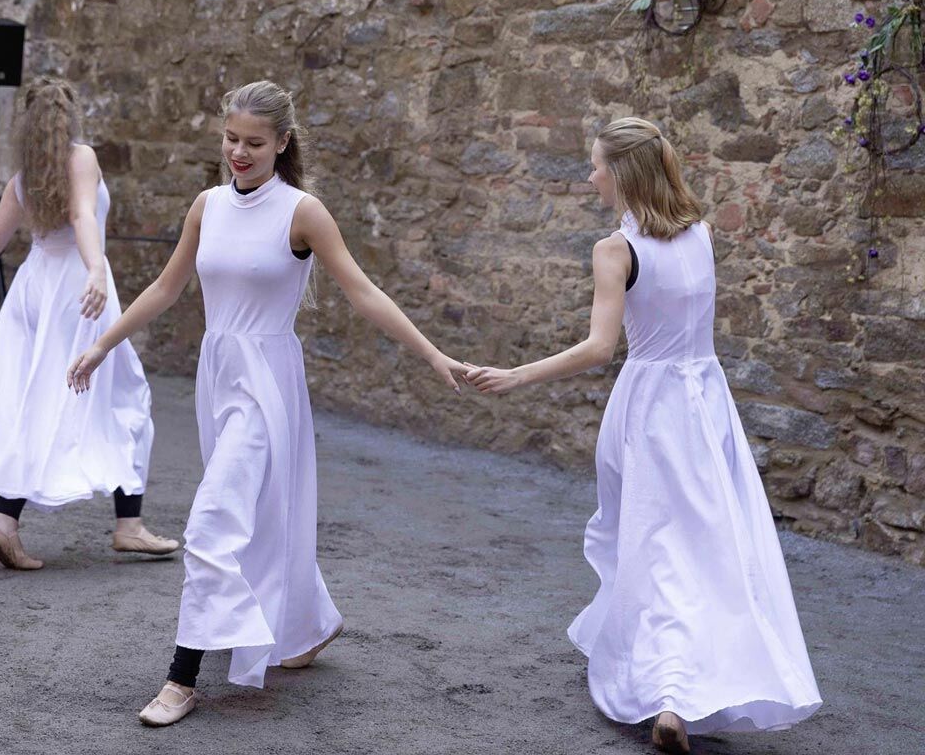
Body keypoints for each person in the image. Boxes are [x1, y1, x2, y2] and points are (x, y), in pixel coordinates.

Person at [67, 80, 468, 726]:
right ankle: (309, 623)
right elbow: (167, 287)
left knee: (212, 521)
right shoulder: (207, 205)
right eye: (231, 139)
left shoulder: (303, 212)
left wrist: (432, 354)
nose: (239, 152)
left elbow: (363, 291)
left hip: (267, 383)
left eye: (254, 143)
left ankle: (181, 679)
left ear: (283, 143)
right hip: (218, 376)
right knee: (257, 516)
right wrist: (100, 346)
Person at [465, 118, 821, 753]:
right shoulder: (702, 235)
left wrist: (518, 375)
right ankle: (683, 689)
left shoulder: (615, 250)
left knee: (654, 549)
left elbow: (600, 348)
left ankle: (669, 695)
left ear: (623, 174)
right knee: (703, 548)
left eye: (597, 166)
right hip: (705, 404)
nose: (590, 177)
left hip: (649, 408)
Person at [0, 77, 176, 569]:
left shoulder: (22, 178)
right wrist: (96, 270)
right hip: (77, 291)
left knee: (37, 399)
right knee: (126, 394)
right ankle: (128, 524)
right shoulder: (82, 157)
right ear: (71, 116)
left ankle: (5, 521)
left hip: (35, 289)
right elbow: (82, 215)